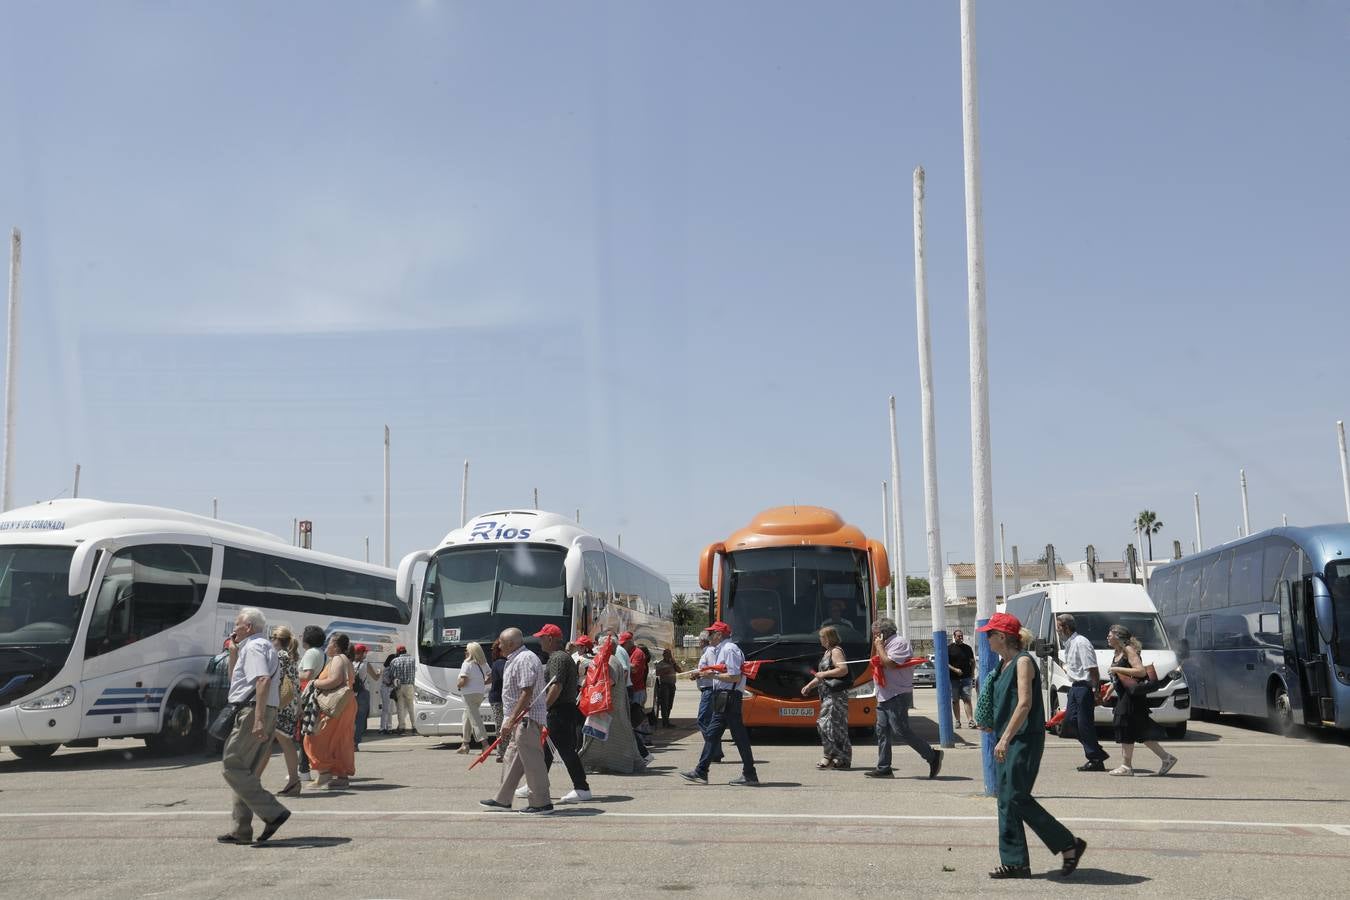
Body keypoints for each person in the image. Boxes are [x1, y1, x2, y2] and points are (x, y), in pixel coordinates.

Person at [977, 612, 1086, 879]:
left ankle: (1068, 843)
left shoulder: (1023, 661)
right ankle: (1015, 862)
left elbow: (1025, 703)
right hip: (1007, 737)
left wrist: (1005, 738)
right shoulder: (1003, 665)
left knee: (1016, 797)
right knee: (1005, 800)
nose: (987, 639)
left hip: (1022, 738)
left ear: (1002, 637)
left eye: (990, 634)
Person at [217, 607, 289, 845]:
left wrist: (257, 719)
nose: (234, 628)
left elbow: (262, 680)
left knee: (232, 765)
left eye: (237, 624)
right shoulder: (254, 647)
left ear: (248, 626)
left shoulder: (256, 646)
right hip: (258, 709)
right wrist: (233, 654)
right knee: (245, 771)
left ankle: (273, 811)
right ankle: (241, 829)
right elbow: (239, 681)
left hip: (251, 711)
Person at [479, 627, 552, 814]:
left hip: (525, 719)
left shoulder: (524, 659)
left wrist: (511, 720)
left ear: (511, 643)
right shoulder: (516, 658)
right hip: (519, 720)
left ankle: (541, 802)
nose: (498, 646)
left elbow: (526, 692)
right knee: (512, 759)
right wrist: (509, 720)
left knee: (533, 762)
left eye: (501, 642)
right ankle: (502, 799)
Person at [680, 621, 757, 786]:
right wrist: (707, 674)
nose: (709, 637)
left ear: (719, 635)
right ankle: (701, 771)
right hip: (723, 697)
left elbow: (734, 676)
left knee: (737, 736)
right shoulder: (722, 649)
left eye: (711, 633)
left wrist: (711, 676)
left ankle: (749, 774)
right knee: (713, 734)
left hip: (728, 696)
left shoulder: (729, 649)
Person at [865, 617, 943, 779]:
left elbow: (890, 663)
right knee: (882, 731)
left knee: (901, 730)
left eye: (876, 634)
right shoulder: (886, 644)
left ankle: (932, 755)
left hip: (897, 695)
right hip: (884, 695)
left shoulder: (899, 643)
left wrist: (879, 646)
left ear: (885, 633)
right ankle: (884, 767)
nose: (874, 638)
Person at [527, 623, 592, 803]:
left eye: (541, 638)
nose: (539, 641)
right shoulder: (561, 657)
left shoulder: (557, 658)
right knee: (546, 750)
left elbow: (556, 685)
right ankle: (537, 784)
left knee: (565, 750)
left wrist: (544, 708)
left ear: (550, 639)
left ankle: (582, 788)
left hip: (559, 711)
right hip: (562, 709)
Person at [1105, 624, 1178, 777]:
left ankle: (1126, 766)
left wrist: (1117, 669)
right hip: (1126, 696)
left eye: (1110, 635)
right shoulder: (1117, 652)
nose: (1107, 637)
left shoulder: (1128, 650)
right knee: (1140, 731)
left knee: (1126, 727)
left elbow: (1140, 671)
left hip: (1132, 698)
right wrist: (1110, 690)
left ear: (1118, 637)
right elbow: (1120, 678)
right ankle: (1166, 758)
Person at [1055, 614, 1110, 772]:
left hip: (1084, 687)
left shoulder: (1081, 642)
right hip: (1075, 687)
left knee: (1084, 724)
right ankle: (1097, 753)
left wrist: (1096, 690)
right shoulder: (1069, 643)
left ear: (1066, 627)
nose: (1057, 630)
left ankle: (1095, 758)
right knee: (1070, 724)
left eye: (1059, 627)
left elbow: (1092, 668)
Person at [303, 632, 357, 790]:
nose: (326, 646)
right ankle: (341, 775)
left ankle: (324, 772)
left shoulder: (338, 659)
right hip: (344, 704)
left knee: (315, 737)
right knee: (339, 740)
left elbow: (335, 680)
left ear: (336, 646)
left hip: (336, 705)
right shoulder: (342, 659)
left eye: (329, 643)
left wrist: (315, 682)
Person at [254, 625, 302, 796]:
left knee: (269, 742)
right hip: (288, 705)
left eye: (271, 637)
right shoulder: (290, 656)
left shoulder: (280, 656)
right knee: (283, 742)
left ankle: (256, 780)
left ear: (275, 639)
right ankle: (293, 781)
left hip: (279, 704)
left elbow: (276, 680)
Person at [802, 625, 851, 770]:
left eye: (821, 637)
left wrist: (823, 674)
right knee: (832, 726)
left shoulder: (836, 651)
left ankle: (833, 756)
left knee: (828, 725)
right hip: (827, 694)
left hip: (836, 695)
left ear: (828, 638)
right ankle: (836, 757)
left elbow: (843, 670)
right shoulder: (827, 652)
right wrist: (809, 686)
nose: (820, 640)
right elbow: (821, 674)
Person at [681, 630, 724, 764]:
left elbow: (710, 670)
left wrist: (697, 674)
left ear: (702, 641)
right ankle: (715, 751)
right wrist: (697, 673)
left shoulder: (709, 651)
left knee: (703, 720)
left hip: (709, 690)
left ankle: (713, 750)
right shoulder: (710, 651)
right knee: (711, 721)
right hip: (710, 690)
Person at [296, 625, 326, 780]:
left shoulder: (310, 653)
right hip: (316, 695)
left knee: (303, 732)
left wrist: (292, 673)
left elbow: (306, 675)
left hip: (306, 695)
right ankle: (304, 768)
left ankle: (303, 770)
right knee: (309, 732)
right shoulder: (321, 653)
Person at [455, 642, 491, 754]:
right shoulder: (483, 663)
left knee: (475, 719)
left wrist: (458, 685)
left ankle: (485, 744)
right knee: (467, 717)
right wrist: (481, 683)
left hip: (468, 695)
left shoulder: (466, 663)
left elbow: (463, 680)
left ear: (471, 652)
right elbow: (491, 676)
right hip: (480, 694)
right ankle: (465, 744)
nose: (465, 652)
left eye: (467, 650)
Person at [947, 629, 977, 729]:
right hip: (953, 679)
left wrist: (972, 673)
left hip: (966, 678)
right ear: (954, 637)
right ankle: (957, 721)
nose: (960, 637)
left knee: (967, 699)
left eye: (961, 636)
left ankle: (970, 721)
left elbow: (972, 662)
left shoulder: (967, 648)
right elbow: (946, 663)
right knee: (955, 700)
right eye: (958, 636)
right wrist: (955, 669)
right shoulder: (949, 648)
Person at [387, 645, 415, 735]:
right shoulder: (413, 660)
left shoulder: (395, 661)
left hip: (399, 686)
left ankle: (402, 727)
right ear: (406, 651)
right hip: (410, 685)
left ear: (398, 652)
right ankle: (414, 726)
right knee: (411, 707)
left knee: (400, 708)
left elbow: (391, 675)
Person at [488, 640, 509, 761]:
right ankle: (501, 753)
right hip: (499, 699)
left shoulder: (498, 662)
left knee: (502, 725)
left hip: (498, 698)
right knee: (502, 726)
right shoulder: (501, 663)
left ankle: (502, 752)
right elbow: (506, 677)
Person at [351, 644, 371, 750]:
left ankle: (349, 742)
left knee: (352, 719)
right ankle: (355, 743)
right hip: (363, 692)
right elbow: (376, 677)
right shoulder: (366, 664)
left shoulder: (350, 663)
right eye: (365, 652)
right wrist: (379, 672)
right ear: (362, 653)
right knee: (360, 720)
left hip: (352, 693)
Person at [654, 647, 681, 727]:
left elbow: (680, 671)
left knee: (669, 704)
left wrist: (674, 664)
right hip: (664, 685)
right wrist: (668, 667)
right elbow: (657, 673)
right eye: (667, 654)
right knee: (664, 704)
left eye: (670, 654)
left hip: (672, 685)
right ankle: (664, 722)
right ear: (663, 655)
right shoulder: (661, 664)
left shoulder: (672, 663)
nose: (668, 656)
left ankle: (667, 721)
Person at [378, 647, 397, 734]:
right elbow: (386, 680)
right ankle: (382, 728)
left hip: (388, 688)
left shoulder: (389, 668)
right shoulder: (388, 668)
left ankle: (388, 727)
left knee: (389, 710)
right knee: (386, 709)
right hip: (386, 688)